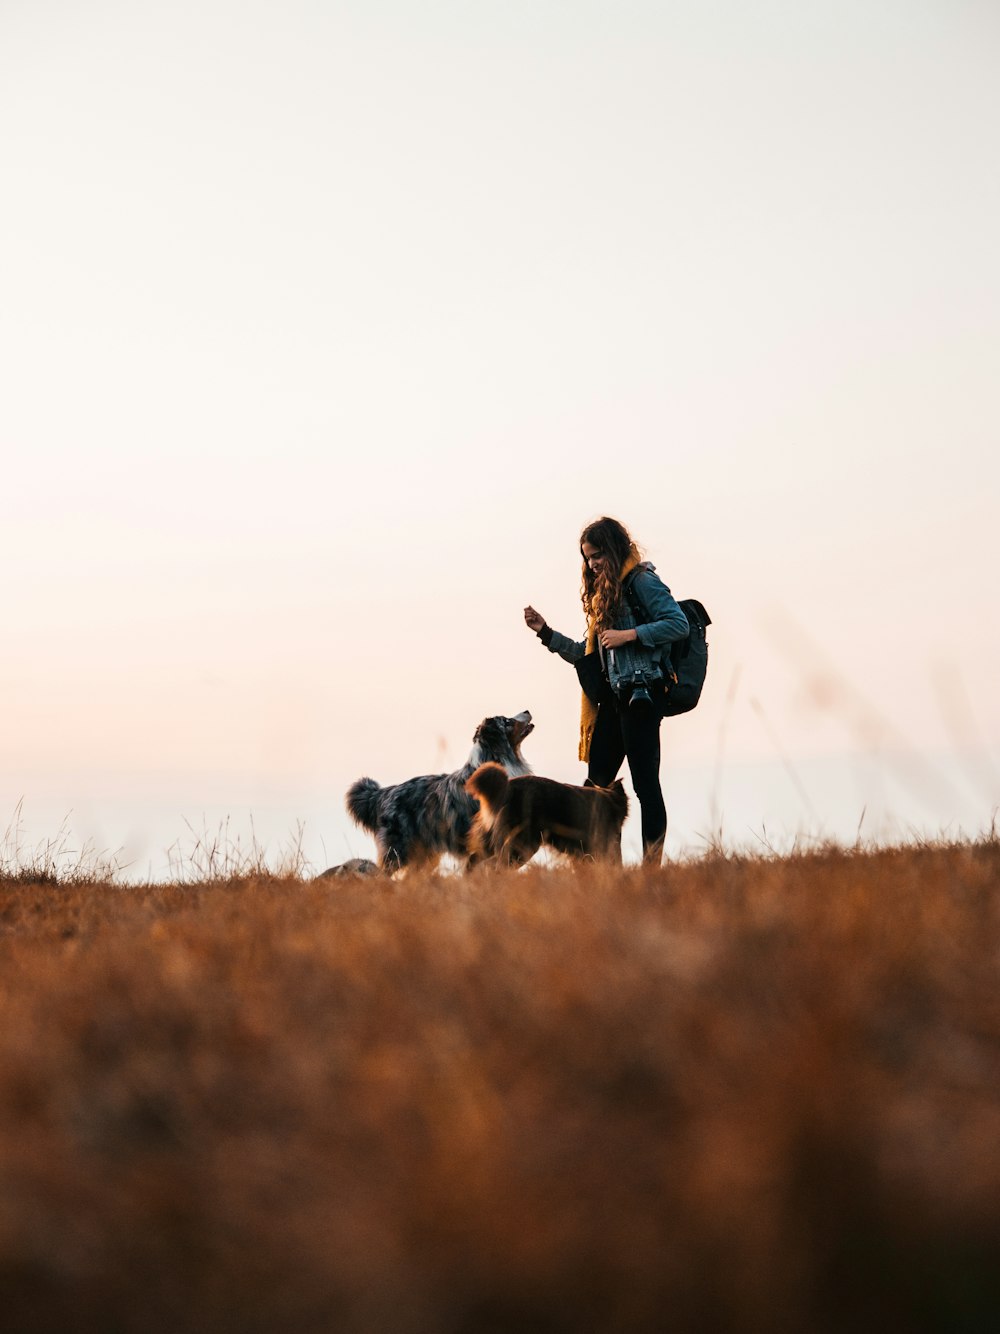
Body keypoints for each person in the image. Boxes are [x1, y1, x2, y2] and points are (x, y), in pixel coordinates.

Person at [524, 516, 689, 863]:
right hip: (615, 702)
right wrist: (545, 633)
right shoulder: (605, 597)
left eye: (597, 554)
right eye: (587, 557)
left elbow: (678, 623)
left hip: (644, 697)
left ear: (615, 549)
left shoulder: (641, 581)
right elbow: (588, 658)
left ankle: (650, 872)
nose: (592, 563)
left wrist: (630, 635)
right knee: (594, 787)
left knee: (646, 789)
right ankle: (601, 870)